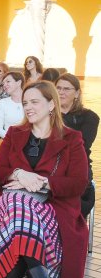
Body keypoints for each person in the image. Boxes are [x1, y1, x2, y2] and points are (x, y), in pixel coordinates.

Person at [0, 81, 88, 278]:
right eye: (25, 103)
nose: (28, 107)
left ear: (51, 104)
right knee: (19, 206)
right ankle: (39, 275)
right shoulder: (15, 133)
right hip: (10, 205)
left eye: (34, 102)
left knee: (21, 231)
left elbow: (78, 183)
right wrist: (18, 174)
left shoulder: (71, 138)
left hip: (51, 206)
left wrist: (42, 182)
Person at [57, 73, 99, 217]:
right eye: (58, 88)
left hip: (77, 167)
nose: (61, 92)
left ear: (76, 93)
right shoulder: (46, 114)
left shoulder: (89, 117)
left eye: (66, 89)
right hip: (48, 166)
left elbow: (82, 146)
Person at [0, 72, 26, 139]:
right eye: (3, 83)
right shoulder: (3, 103)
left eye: (8, 81)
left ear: (19, 82)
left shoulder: (30, 102)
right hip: (9, 139)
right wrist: (12, 138)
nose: (5, 85)